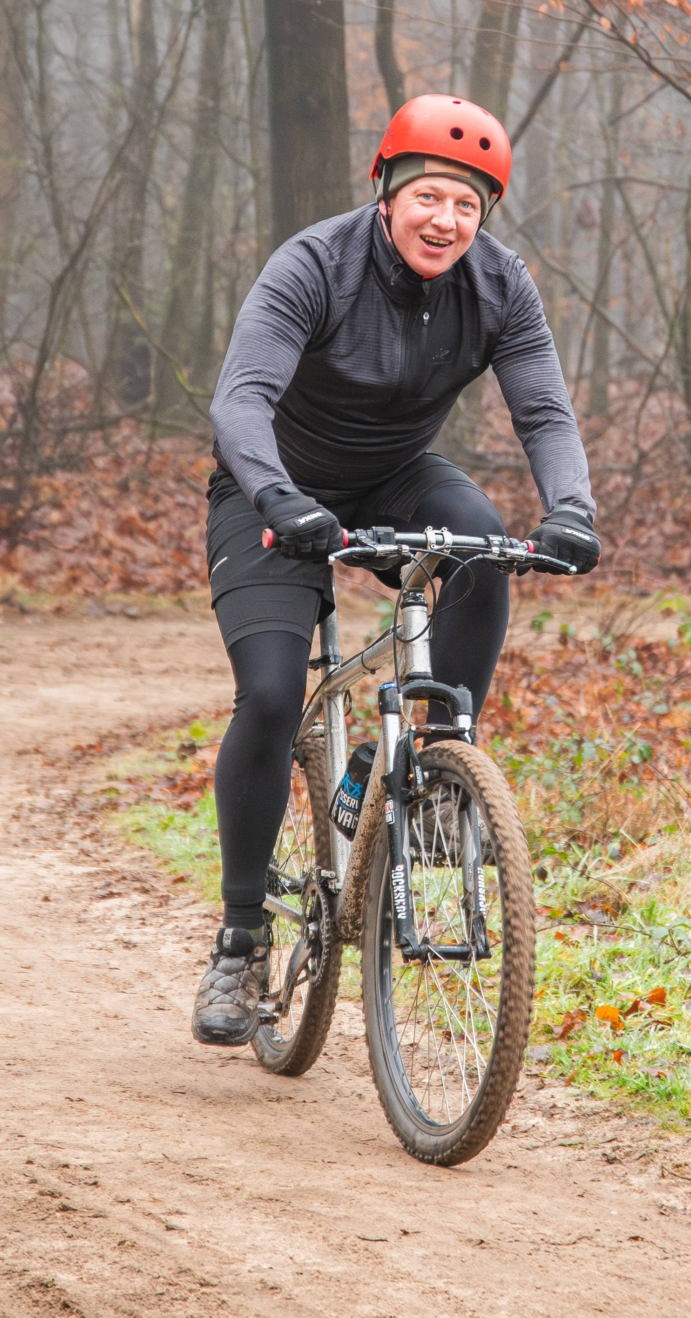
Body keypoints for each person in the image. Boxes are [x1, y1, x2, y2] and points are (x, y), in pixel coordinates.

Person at [190, 94, 600, 1047]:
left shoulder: (500, 286)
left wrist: (572, 507)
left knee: (485, 547)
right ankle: (242, 935)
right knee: (265, 693)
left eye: (466, 203)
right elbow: (241, 397)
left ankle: (419, 761)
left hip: (396, 477)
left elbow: (543, 411)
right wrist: (279, 497)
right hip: (271, 491)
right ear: (385, 192)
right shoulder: (313, 265)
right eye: (427, 196)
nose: (444, 220)